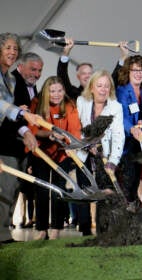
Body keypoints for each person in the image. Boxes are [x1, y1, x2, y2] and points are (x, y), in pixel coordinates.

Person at [28, 76, 82, 240]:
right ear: (46, 92)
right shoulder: (36, 103)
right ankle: (41, 228)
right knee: (42, 190)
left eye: (59, 90)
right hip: (41, 154)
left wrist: (69, 146)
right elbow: (33, 129)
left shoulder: (70, 105)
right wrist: (50, 134)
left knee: (59, 191)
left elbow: (75, 131)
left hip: (62, 154)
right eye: (52, 91)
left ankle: (57, 228)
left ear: (64, 91)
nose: (56, 94)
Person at [0, 32, 40, 243]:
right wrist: (21, 112)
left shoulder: (11, 79)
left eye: (15, 49)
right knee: (5, 187)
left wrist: (25, 130)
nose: (12, 52)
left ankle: (4, 234)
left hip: (10, 141)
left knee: (12, 187)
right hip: (4, 144)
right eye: (7, 47)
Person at [76, 70, 125, 233]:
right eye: (99, 85)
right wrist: (87, 144)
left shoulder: (115, 107)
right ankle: (84, 231)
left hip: (105, 156)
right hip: (84, 154)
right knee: (85, 192)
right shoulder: (81, 101)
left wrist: (113, 161)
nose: (103, 89)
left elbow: (119, 135)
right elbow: (78, 129)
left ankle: (103, 231)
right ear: (91, 88)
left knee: (105, 194)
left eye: (106, 86)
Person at [115, 55, 142, 215]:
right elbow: (121, 116)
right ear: (127, 72)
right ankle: (128, 207)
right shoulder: (121, 90)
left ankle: (140, 209)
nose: (138, 73)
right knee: (129, 178)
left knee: (140, 176)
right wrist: (132, 129)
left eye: (141, 70)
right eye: (135, 70)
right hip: (126, 141)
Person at [11, 52, 44, 228]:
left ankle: (4, 234)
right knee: (8, 189)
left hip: (23, 148)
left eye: (39, 70)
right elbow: (10, 113)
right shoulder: (11, 81)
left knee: (16, 189)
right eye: (33, 69)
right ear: (21, 66)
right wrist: (25, 130)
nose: (37, 74)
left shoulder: (33, 87)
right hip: (8, 145)